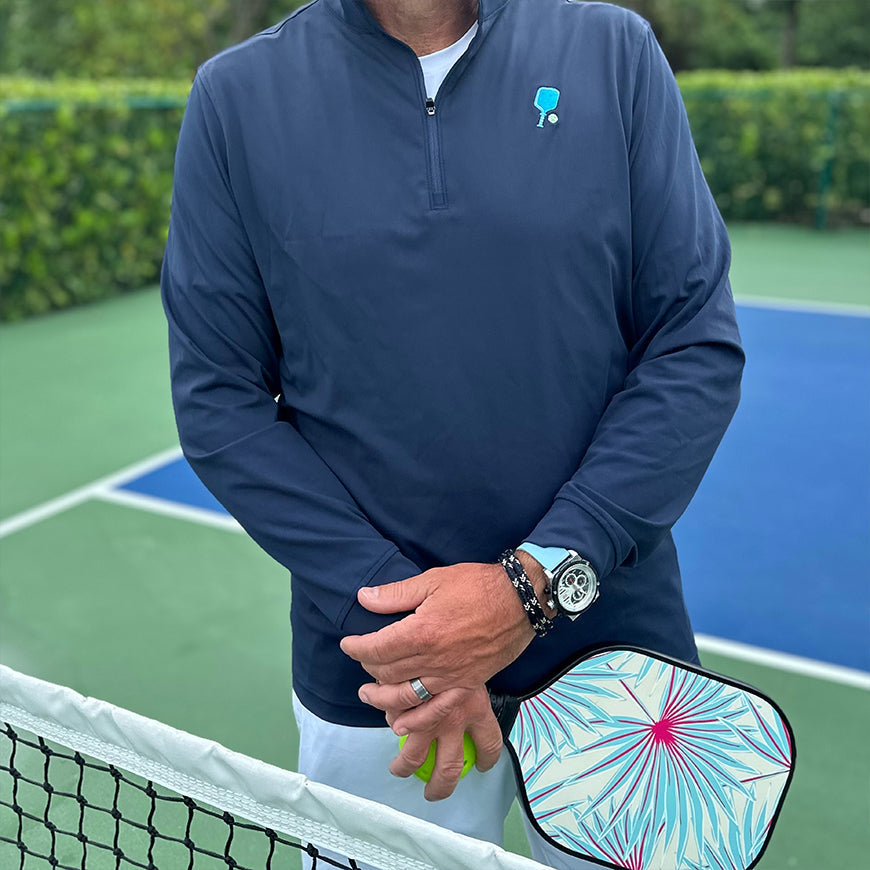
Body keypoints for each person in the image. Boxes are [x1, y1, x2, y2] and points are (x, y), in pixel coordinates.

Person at [161, 0, 744, 866]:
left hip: (618, 651)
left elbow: (693, 340)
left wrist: (531, 585)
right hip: (381, 679)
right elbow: (218, 400)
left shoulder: (612, 48)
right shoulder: (235, 95)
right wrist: (419, 636)